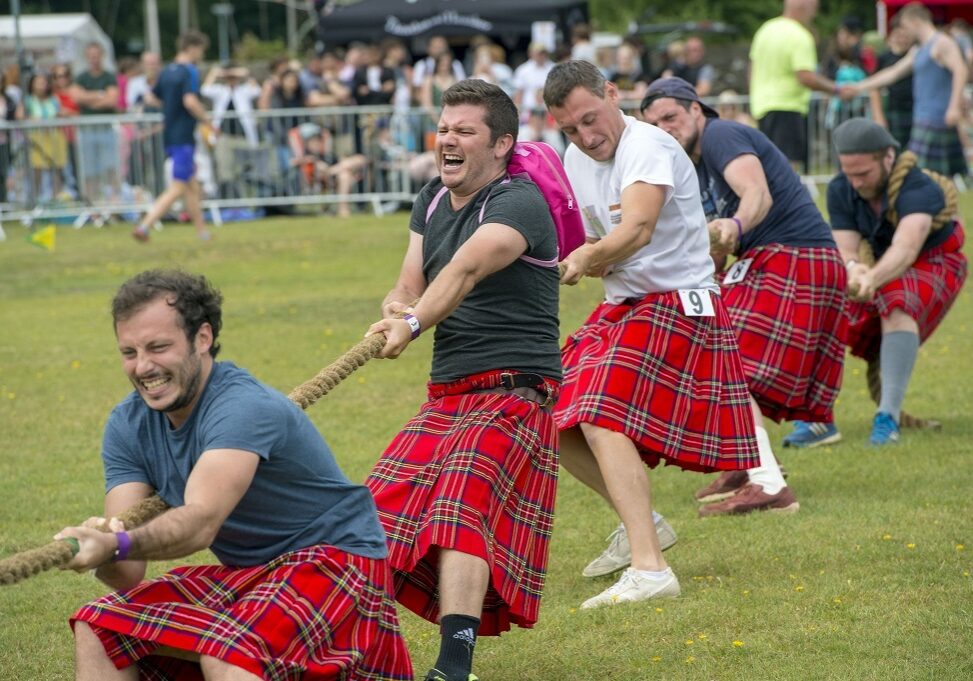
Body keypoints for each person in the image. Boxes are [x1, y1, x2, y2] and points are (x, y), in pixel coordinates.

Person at [55, 269, 412, 680]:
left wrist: (115, 542)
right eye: (129, 352)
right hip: (251, 575)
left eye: (158, 347)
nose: (143, 367)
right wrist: (104, 550)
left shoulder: (241, 406)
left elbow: (201, 523)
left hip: (336, 562)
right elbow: (128, 571)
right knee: (99, 626)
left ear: (202, 338)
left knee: (231, 649)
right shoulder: (128, 425)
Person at [364, 78, 561, 681]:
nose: (447, 139)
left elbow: (466, 268)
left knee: (458, 505)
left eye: (463, 131)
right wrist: (397, 308)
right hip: (448, 394)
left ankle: (455, 669)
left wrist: (416, 321)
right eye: (444, 128)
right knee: (368, 520)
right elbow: (412, 279)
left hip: (513, 391)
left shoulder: (519, 202)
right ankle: (355, 653)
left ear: (500, 143)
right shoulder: (430, 197)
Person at [541, 60, 759, 607]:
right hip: (627, 307)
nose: (586, 138)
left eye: (591, 119)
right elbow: (582, 234)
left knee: (594, 412)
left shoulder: (649, 146)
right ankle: (645, 525)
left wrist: (588, 256)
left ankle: (650, 569)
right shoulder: (575, 157)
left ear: (613, 94)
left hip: (681, 306)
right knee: (551, 411)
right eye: (570, 129)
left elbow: (635, 228)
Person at [641, 79, 847, 516]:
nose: (665, 129)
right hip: (778, 259)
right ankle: (744, 459)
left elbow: (756, 194)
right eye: (654, 125)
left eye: (670, 118)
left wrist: (734, 227)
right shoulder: (691, 166)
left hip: (793, 256)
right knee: (707, 349)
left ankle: (768, 483)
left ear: (697, 110)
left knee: (722, 358)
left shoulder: (721, 134)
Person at [824, 118, 967, 444]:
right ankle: (816, 418)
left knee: (896, 304)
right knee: (821, 308)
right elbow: (846, 248)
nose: (856, 182)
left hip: (935, 261)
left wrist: (871, 278)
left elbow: (906, 247)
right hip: (880, 265)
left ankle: (887, 418)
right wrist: (853, 269)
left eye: (864, 174)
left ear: (888, 157)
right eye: (849, 174)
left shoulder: (918, 187)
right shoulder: (840, 189)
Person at [851, 2, 969, 177]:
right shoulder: (919, 49)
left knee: (928, 178)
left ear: (914, 21)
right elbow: (893, 73)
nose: (905, 32)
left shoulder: (942, 43)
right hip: (922, 119)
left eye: (905, 27)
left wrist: (954, 106)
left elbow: (961, 69)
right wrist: (857, 87)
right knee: (924, 178)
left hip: (937, 119)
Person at [749, 0, 855, 172]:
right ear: (804, 5)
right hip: (788, 107)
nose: (815, 12)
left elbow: (752, 69)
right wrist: (836, 89)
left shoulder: (765, 30)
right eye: (815, 6)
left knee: (768, 166)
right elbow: (805, 76)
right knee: (789, 168)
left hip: (761, 107)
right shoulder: (800, 35)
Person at [132, 31, 213, 242]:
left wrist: (169, 108)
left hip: (169, 135)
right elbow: (190, 101)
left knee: (192, 186)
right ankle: (144, 226)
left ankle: (202, 232)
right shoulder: (189, 71)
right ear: (193, 47)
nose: (201, 55)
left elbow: (151, 97)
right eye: (201, 50)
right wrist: (208, 121)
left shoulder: (166, 71)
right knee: (178, 187)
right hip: (184, 137)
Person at [70, 41, 121, 203]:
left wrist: (88, 98)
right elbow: (76, 97)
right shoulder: (81, 77)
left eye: (96, 55)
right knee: (89, 169)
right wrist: (100, 95)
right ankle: (91, 202)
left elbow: (112, 100)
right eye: (91, 56)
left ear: (102, 56)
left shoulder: (109, 76)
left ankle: (114, 202)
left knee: (111, 167)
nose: (94, 59)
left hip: (106, 129)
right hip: (87, 130)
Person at [869, 17, 915, 149]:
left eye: (906, 36)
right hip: (894, 110)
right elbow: (874, 88)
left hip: (916, 110)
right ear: (891, 36)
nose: (903, 39)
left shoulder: (916, 56)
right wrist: (878, 116)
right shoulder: (884, 58)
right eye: (899, 35)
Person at [512, 43, 555, 121]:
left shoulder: (554, 68)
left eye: (543, 53)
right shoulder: (523, 70)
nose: (541, 55)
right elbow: (519, 94)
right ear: (531, 53)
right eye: (538, 53)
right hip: (528, 113)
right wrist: (517, 114)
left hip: (549, 113)